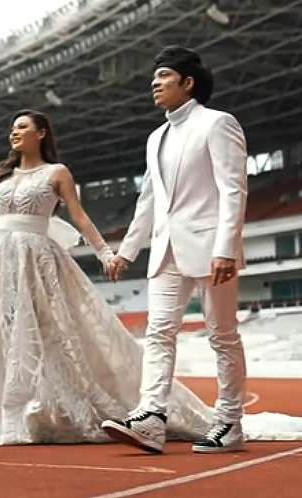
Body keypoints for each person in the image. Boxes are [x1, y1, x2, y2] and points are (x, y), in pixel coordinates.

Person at [0, 106, 302, 448]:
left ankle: (50, 412)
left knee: (49, 334)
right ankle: (8, 415)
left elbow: (80, 217)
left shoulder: (57, 172)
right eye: (12, 129)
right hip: (0, 260)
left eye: (22, 127)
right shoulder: (1, 175)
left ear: (41, 133)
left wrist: (106, 252)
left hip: (38, 259)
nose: (14, 133)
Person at [100, 46, 248, 454]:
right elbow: (149, 199)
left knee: (222, 336)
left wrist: (226, 248)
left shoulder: (217, 123)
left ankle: (230, 422)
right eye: (155, 76)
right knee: (158, 333)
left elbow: (233, 189)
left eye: (164, 75)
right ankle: (150, 417)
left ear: (188, 83)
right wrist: (127, 251)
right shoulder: (156, 138)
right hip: (166, 250)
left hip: (210, 248)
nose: (155, 82)